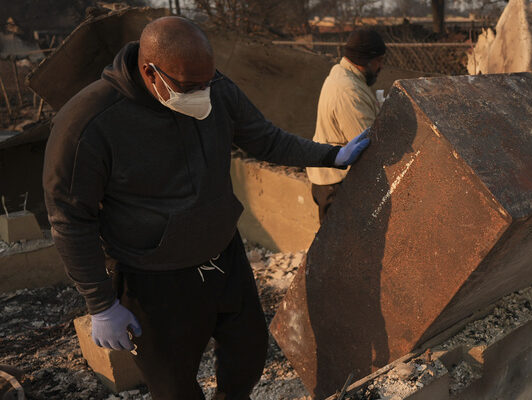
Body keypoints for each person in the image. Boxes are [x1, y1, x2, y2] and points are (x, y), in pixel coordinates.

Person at [43, 16, 370, 400]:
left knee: (248, 356)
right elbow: (70, 219)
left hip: (222, 258)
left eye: (207, 82)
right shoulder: (89, 124)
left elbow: (264, 139)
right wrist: (101, 304)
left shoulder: (215, 88)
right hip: (154, 277)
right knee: (174, 387)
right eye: (190, 87)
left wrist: (331, 156)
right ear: (150, 73)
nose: (203, 94)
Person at [306, 29, 387, 221]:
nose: (381, 66)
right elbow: (369, 146)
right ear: (366, 60)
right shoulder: (349, 91)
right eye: (379, 60)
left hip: (334, 180)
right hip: (337, 185)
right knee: (343, 240)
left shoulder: (344, 74)